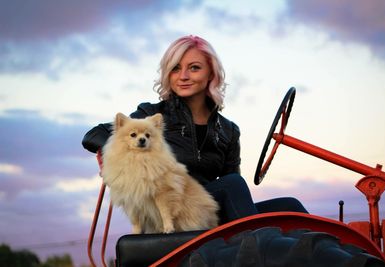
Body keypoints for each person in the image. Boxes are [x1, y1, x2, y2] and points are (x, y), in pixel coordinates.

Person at [82, 35, 307, 224]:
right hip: (173, 204)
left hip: (206, 205)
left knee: (291, 207)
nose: (184, 76)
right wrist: (120, 158)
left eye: (194, 68)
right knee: (233, 185)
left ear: (211, 73)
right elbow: (93, 135)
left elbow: (231, 185)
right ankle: (255, 251)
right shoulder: (151, 117)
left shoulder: (228, 130)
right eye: (176, 69)